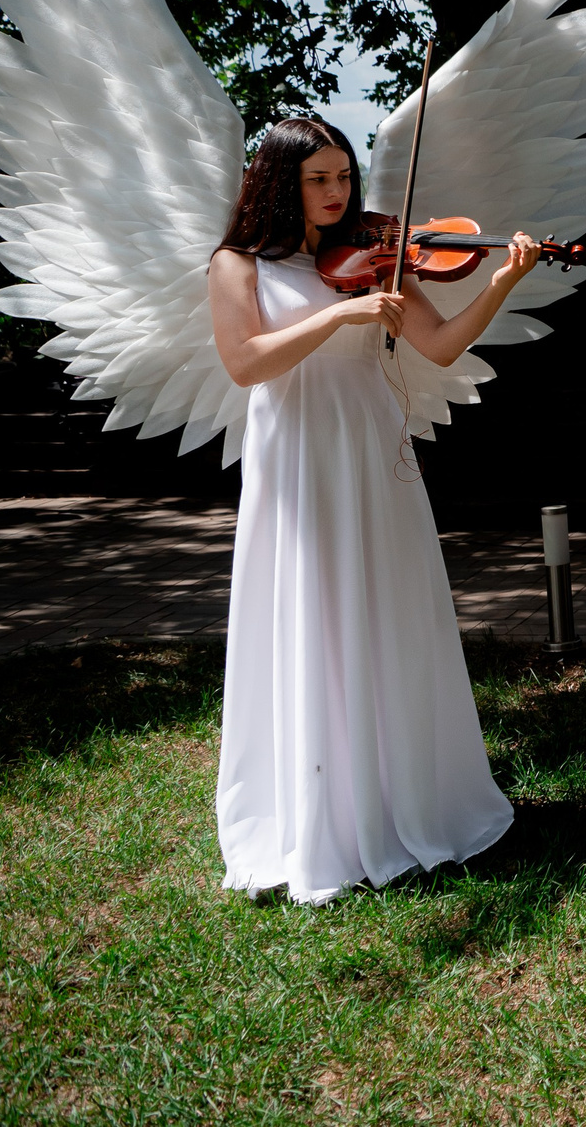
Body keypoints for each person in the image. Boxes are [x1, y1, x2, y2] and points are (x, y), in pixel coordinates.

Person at [206, 118, 541, 902]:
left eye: (344, 177)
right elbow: (245, 361)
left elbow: (442, 345)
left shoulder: (377, 251)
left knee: (389, 615)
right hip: (298, 458)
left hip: (372, 450)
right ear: (280, 182)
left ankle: (404, 802)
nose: (336, 194)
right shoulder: (236, 263)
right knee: (312, 615)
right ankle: (319, 817)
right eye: (318, 179)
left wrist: (503, 281)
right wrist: (339, 314)